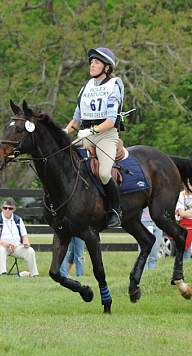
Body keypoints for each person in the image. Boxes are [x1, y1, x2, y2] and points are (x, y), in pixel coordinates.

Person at [64, 47, 125, 228]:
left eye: (96, 62)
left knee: (104, 173)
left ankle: (116, 209)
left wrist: (91, 132)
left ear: (107, 67)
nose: (92, 65)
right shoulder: (86, 87)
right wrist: (65, 131)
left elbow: (111, 121)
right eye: (91, 62)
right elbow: (76, 119)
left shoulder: (114, 85)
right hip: (85, 133)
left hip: (106, 135)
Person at [0, 198, 39, 276]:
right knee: (0, 249)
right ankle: (3, 274)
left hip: (16, 247)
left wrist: (26, 242)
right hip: (0, 246)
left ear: (14, 209)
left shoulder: (18, 219)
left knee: (30, 250)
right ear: (2, 208)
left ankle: (34, 274)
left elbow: (24, 235)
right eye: (5, 208)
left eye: (10, 208)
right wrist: (4, 244)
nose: (7, 210)